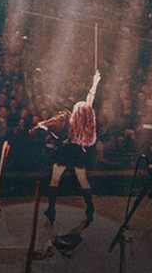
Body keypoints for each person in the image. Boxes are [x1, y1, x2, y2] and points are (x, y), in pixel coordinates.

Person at [32, 70, 101, 225]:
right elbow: (90, 98)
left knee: (55, 179)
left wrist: (42, 126)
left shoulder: (70, 123)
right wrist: (95, 82)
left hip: (65, 152)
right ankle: (90, 208)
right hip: (77, 152)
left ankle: (51, 210)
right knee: (83, 181)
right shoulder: (85, 124)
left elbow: (54, 131)